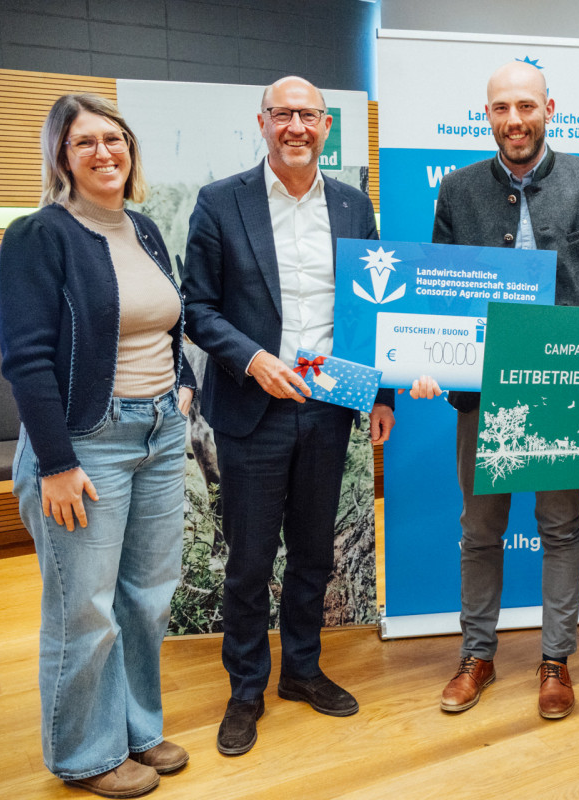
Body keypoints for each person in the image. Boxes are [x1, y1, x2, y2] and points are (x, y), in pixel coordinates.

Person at [410, 60, 579, 720]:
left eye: (525, 106)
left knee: (562, 529)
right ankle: (477, 657)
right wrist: (428, 359)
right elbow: (440, 288)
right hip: (482, 392)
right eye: (500, 109)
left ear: (549, 108)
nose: (513, 120)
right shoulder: (457, 189)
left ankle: (555, 661)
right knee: (480, 532)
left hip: (563, 387)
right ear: (487, 115)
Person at [182, 75, 395, 757]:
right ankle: (246, 689)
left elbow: (373, 306)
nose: (296, 126)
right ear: (263, 122)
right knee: (249, 561)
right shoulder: (221, 202)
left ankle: (302, 669)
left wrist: (382, 394)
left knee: (312, 553)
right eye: (283, 115)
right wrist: (253, 360)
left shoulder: (354, 204)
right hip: (253, 407)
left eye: (309, 115)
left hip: (329, 404)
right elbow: (197, 308)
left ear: (326, 126)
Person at [0, 93, 195, 798]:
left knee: (147, 598)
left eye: (114, 139)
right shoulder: (37, 235)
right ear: (61, 156)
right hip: (85, 443)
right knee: (84, 607)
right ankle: (85, 754)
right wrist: (56, 462)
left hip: (160, 433)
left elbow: (166, 321)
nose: (104, 152)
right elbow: (26, 359)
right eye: (85, 142)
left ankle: (137, 730)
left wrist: (183, 385)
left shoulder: (143, 228)